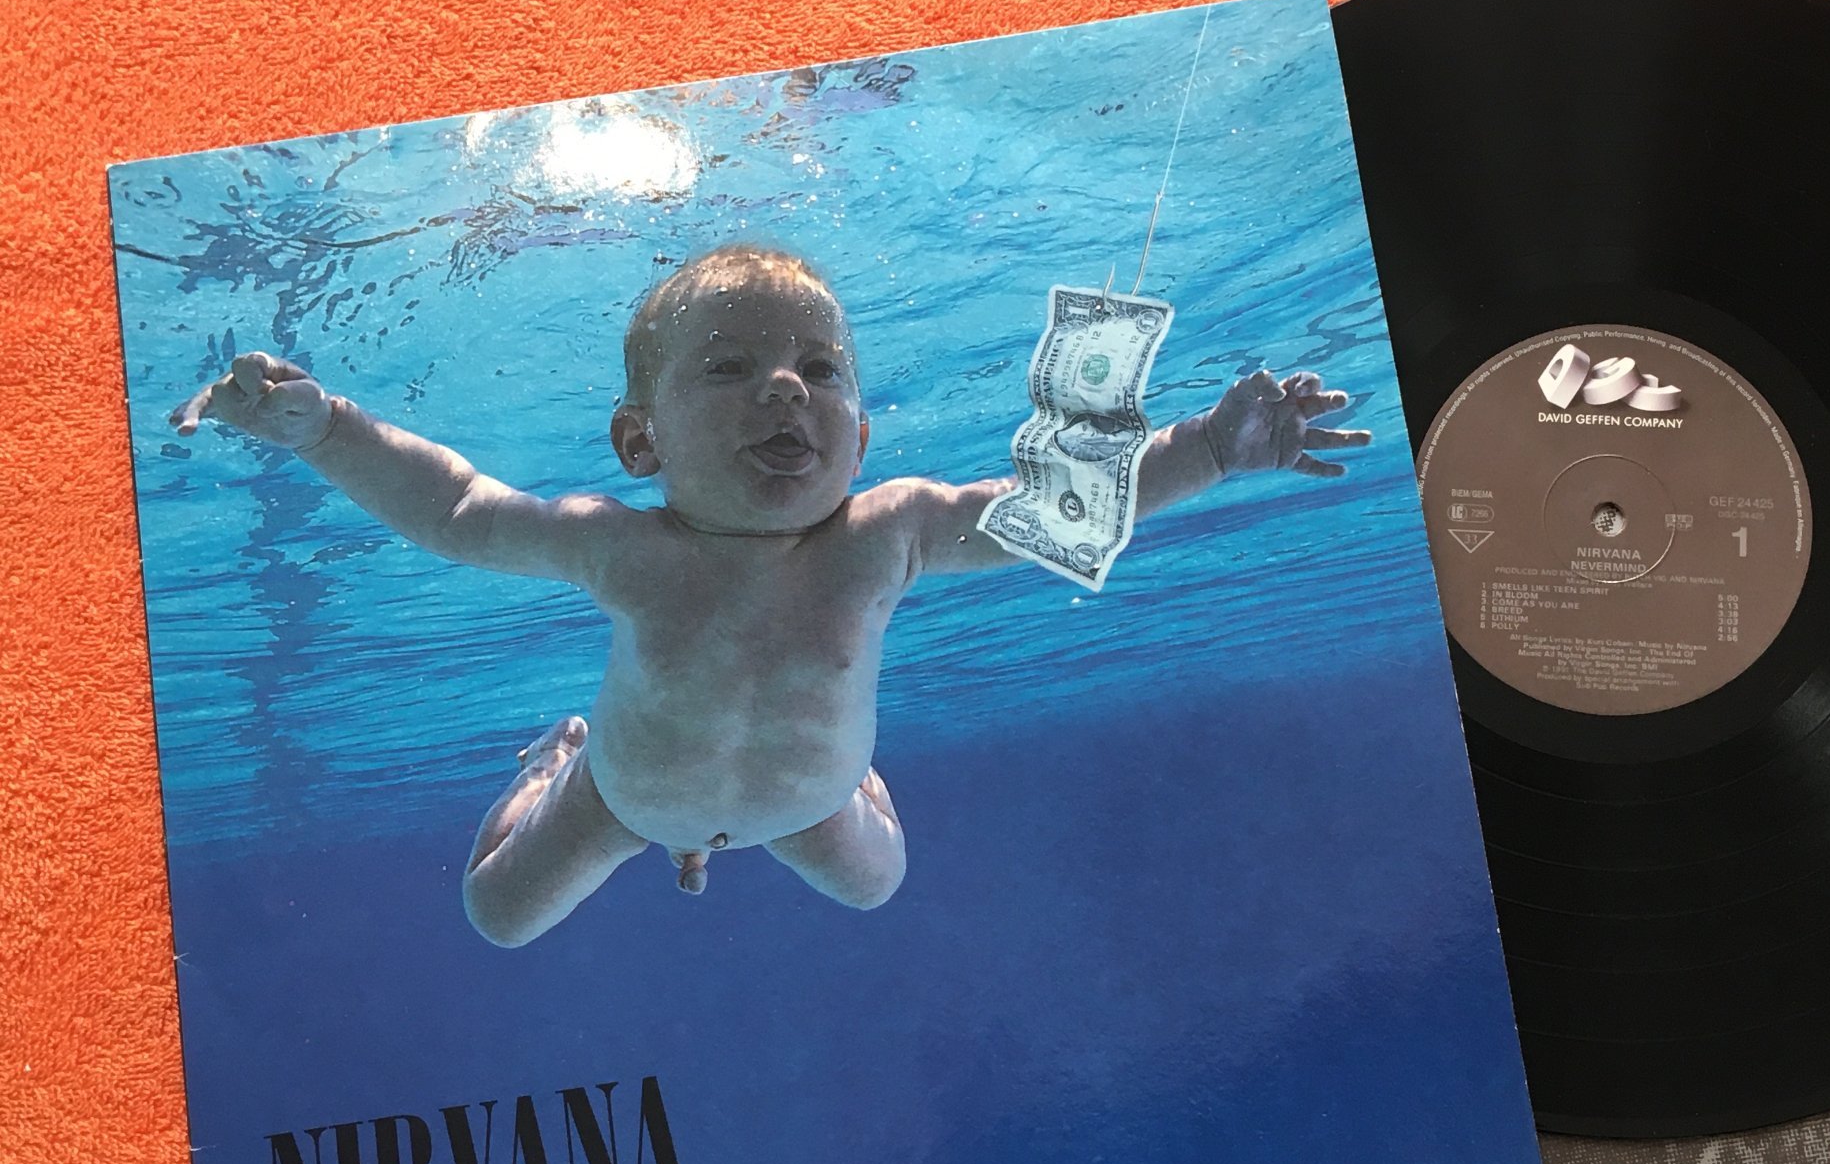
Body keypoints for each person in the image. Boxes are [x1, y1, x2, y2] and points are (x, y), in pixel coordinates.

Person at [172, 245, 1367, 944]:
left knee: (877, 887)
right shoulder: (625, 549)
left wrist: (1208, 449)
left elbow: (1055, 508)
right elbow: (457, 507)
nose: (786, 389)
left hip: (805, 802)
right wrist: (323, 428)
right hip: (622, 799)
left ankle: (854, 776)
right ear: (640, 442)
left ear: (861, 435)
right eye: (732, 368)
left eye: (820, 370)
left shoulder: (891, 532)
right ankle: (555, 760)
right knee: (497, 915)